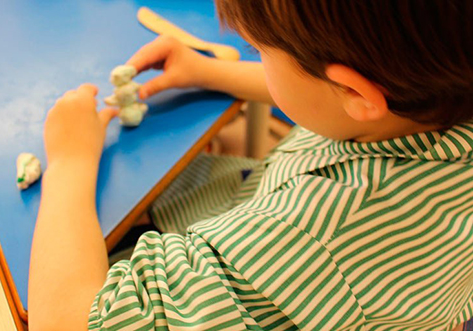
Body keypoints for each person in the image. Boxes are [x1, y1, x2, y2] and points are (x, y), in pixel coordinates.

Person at [28, 1, 473, 330]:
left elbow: (69, 322)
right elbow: (328, 95)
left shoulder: (318, 233)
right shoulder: (437, 97)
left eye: (257, 49)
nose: (254, 56)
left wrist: (70, 160)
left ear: (356, 93)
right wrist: (209, 72)